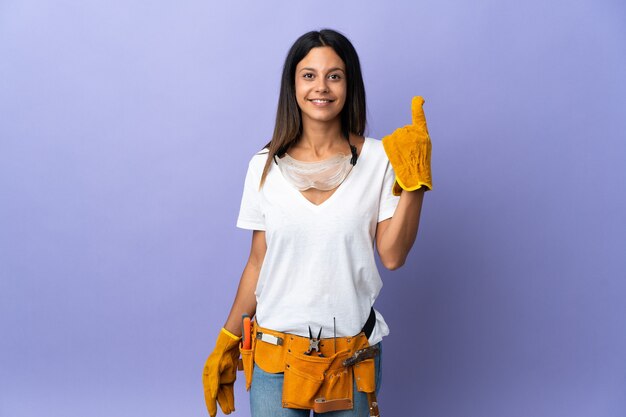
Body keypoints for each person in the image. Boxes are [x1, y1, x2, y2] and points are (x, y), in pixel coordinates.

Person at [203, 28, 431, 417]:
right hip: (275, 355)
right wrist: (228, 337)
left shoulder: (381, 159)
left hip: (351, 357)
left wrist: (416, 185)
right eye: (309, 75)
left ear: (349, 84)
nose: (321, 87)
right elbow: (258, 262)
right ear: (292, 84)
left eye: (334, 75)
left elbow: (392, 256)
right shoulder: (263, 165)